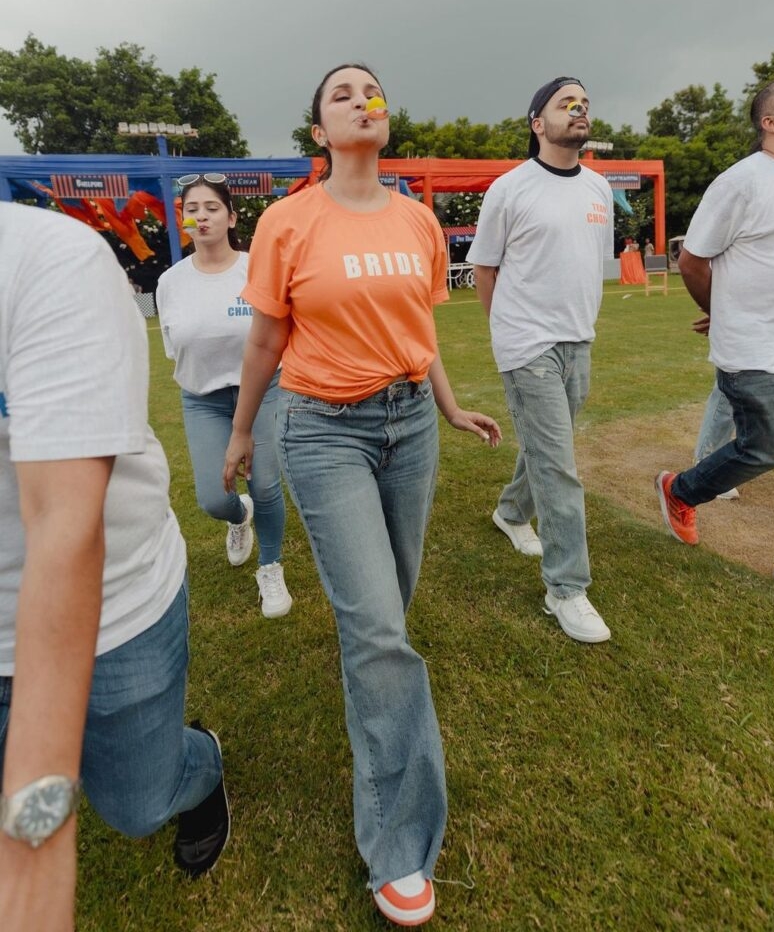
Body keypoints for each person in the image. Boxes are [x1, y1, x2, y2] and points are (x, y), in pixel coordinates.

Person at [223, 63, 500, 927]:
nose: (359, 100)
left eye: (369, 90)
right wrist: (239, 432)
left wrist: (447, 405)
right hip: (321, 431)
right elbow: (268, 337)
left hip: (410, 425)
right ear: (318, 132)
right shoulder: (286, 221)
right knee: (380, 630)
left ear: (386, 117)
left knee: (388, 611)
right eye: (340, 94)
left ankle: (371, 681)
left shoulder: (418, 218)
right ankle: (399, 844)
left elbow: (417, 330)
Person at [0, 203, 230, 932]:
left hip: (112, 608)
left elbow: (64, 524)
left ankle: (196, 766)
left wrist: (31, 854)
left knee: (138, 804)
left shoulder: (44, 254)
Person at [656, 69, 774, 604]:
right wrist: (720, 312)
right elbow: (693, 259)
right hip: (760, 348)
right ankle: (680, 489)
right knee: (765, 450)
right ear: (770, 121)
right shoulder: (741, 181)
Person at [467, 76, 613, 645]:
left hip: (580, 339)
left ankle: (510, 511)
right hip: (528, 343)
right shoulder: (509, 188)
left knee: (549, 450)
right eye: (564, 103)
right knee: (560, 465)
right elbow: (485, 269)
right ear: (537, 123)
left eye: (584, 103)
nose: (578, 110)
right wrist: (505, 332)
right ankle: (566, 587)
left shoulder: (599, 189)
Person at [156, 175, 290, 619]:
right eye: (192, 208)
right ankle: (238, 517)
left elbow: (277, 335)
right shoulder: (170, 282)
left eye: (212, 207)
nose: (202, 215)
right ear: (183, 220)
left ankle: (270, 566)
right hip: (203, 400)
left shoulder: (257, 268)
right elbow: (176, 350)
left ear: (231, 217)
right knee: (214, 497)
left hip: (265, 391)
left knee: (266, 484)